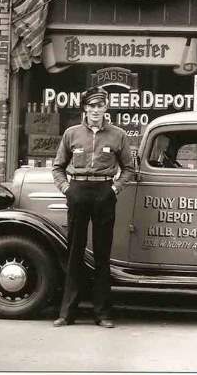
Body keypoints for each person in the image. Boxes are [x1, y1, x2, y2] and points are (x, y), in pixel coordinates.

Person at [51, 86, 134, 328]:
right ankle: (67, 313)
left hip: (104, 193)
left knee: (102, 254)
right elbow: (58, 167)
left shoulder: (118, 135)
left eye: (100, 105)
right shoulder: (71, 134)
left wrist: (115, 189)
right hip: (77, 191)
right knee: (74, 252)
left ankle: (103, 313)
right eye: (92, 106)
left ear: (106, 108)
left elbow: (129, 168)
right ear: (85, 108)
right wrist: (67, 189)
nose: (96, 110)